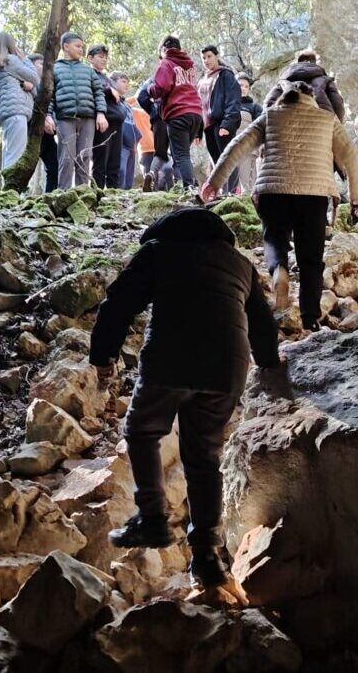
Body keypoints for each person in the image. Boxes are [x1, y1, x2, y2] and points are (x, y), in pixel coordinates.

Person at [91, 207, 282, 589]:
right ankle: (207, 556)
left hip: (172, 358)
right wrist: (270, 366)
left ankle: (151, 518)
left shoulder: (160, 250)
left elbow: (118, 302)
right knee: (203, 458)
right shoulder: (240, 264)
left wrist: (103, 357)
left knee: (142, 429)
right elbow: (263, 325)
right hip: (228, 368)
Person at [201, 81, 358, 331]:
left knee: (275, 240)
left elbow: (238, 145)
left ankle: (279, 270)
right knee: (311, 257)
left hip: (273, 192)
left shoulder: (271, 116)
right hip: (314, 194)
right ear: (311, 97)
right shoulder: (326, 118)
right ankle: (310, 316)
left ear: (284, 97)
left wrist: (214, 182)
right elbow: (352, 156)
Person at [48, 32, 107, 188]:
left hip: (88, 119)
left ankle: (82, 192)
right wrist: (47, 116)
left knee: (85, 156)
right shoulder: (54, 69)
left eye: (82, 46)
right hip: (65, 119)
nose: (81, 49)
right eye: (78, 46)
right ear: (66, 46)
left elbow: (98, 93)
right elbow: (49, 96)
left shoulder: (88, 70)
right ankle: (64, 193)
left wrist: (101, 113)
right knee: (66, 158)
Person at [148, 35, 204, 189]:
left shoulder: (167, 62)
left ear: (164, 50)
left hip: (178, 112)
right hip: (196, 114)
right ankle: (192, 185)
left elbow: (162, 86)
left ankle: (189, 188)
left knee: (181, 155)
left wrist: (150, 90)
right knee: (184, 153)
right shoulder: (189, 66)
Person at [0, 32, 40, 173]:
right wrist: (25, 59)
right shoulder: (11, 61)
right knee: (16, 156)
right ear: (10, 45)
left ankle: (6, 191)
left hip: (6, 112)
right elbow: (34, 77)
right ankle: (12, 192)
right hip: (17, 112)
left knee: (9, 154)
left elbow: (29, 86)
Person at [198, 45, 242, 193]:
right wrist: (198, 132)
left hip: (222, 124)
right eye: (203, 58)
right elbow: (200, 107)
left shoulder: (226, 75)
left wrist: (227, 124)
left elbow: (233, 101)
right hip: (208, 127)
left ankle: (232, 193)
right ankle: (222, 193)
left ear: (217, 56)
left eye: (209, 56)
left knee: (228, 160)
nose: (206, 60)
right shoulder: (203, 80)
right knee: (216, 163)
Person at [264, 49, 345, 121]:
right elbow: (338, 105)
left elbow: (268, 105)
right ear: (315, 62)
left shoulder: (284, 80)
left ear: (297, 61)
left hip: (286, 121)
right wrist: (337, 123)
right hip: (321, 121)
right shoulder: (325, 79)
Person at [87, 45, 125, 189]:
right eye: (101, 57)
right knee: (100, 159)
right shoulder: (89, 74)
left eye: (105, 57)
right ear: (90, 58)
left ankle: (113, 192)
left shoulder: (106, 78)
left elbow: (118, 97)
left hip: (117, 123)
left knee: (115, 160)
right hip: (103, 121)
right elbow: (92, 92)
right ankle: (97, 193)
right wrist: (109, 90)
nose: (104, 60)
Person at [28, 54, 59, 192]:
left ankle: (50, 196)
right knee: (26, 166)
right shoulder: (25, 82)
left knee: (54, 165)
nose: (45, 66)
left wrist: (50, 118)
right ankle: (18, 195)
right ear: (31, 65)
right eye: (41, 63)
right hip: (29, 132)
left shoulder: (49, 85)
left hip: (47, 134)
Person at [236, 73, 263, 194]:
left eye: (246, 86)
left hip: (248, 149)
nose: (243, 88)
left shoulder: (254, 107)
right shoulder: (227, 105)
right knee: (229, 187)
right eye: (240, 85)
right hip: (229, 150)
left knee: (248, 186)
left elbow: (261, 128)